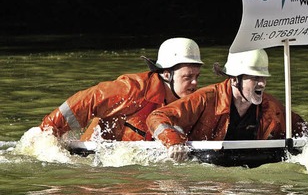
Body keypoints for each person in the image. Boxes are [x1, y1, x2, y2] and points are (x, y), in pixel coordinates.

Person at [147, 48, 308, 161]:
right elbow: (157, 117)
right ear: (234, 79)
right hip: (206, 165)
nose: (262, 84)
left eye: (263, 78)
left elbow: (304, 131)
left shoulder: (271, 107)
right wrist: (174, 142)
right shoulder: (206, 98)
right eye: (255, 78)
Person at [40, 37, 203, 141]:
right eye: (188, 77)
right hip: (94, 163)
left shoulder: (191, 102)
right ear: (167, 74)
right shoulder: (132, 89)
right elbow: (88, 99)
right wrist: (47, 132)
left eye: (197, 77)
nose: (195, 83)